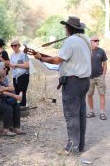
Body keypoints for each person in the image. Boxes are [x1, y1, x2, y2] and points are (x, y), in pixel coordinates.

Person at [33, 16, 91, 154]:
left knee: (71, 114)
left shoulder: (71, 40)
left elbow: (57, 59)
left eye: (66, 27)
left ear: (69, 28)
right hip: (84, 81)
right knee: (81, 113)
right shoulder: (85, 39)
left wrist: (40, 57)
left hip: (73, 82)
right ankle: (79, 145)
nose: (65, 29)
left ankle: (71, 148)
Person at [0, 61, 25, 136]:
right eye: (4, 68)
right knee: (7, 108)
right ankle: (5, 130)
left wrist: (4, 88)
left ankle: (16, 127)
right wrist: (14, 95)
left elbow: (12, 88)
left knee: (16, 105)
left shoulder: (4, 78)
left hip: (1, 100)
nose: (6, 69)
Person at [86, 36, 108, 120]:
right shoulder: (87, 51)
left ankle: (102, 113)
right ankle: (91, 112)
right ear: (90, 41)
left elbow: (105, 64)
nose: (97, 42)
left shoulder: (101, 51)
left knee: (102, 94)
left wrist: (103, 75)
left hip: (99, 77)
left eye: (98, 40)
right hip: (89, 77)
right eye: (95, 40)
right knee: (89, 94)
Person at [9, 40, 30, 108]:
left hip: (23, 75)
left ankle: (23, 106)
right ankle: (18, 106)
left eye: (15, 45)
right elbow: (11, 64)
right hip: (15, 76)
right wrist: (12, 65)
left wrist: (16, 65)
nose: (13, 47)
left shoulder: (23, 54)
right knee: (16, 90)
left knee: (22, 90)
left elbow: (27, 65)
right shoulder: (12, 55)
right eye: (12, 46)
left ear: (19, 46)